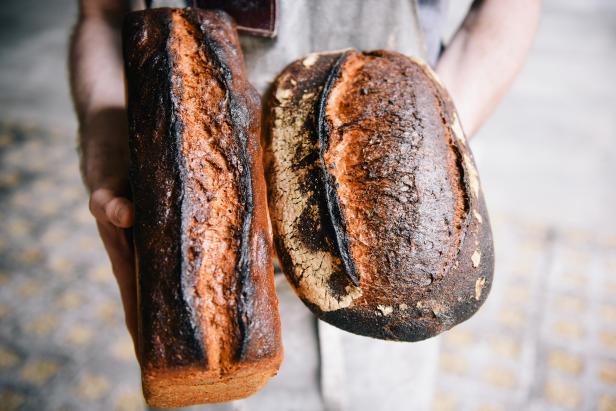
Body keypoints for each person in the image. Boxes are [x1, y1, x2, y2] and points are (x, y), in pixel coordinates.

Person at [70, 1, 541, 409]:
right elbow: (103, 14)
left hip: (405, 259)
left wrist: (419, 141)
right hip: (189, 266)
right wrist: (103, 143)